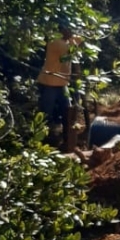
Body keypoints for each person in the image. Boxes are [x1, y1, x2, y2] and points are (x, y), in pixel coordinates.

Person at [37, 17, 81, 147]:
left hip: (61, 84)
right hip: (49, 83)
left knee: (67, 111)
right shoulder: (56, 42)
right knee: (45, 114)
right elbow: (73, 47)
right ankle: (41, 140)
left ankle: (66, 141)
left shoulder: (65, 41)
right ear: (61, 30)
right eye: (67, 29)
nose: (70, 32)